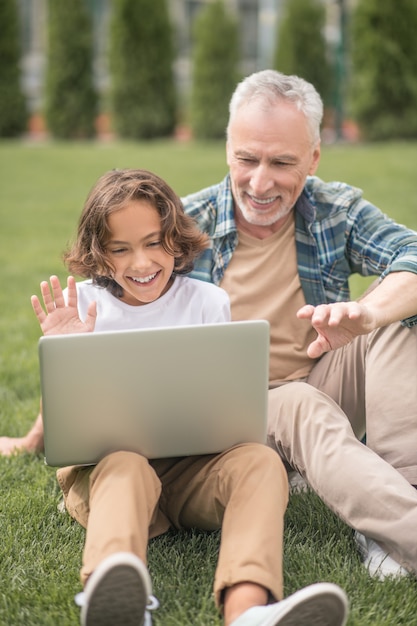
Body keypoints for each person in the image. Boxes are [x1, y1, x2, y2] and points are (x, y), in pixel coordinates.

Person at [28, 168, 349, 626]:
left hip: (190, 476)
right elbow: (70, 420)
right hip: (109, 479)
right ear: (100, 255)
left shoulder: (208, 302)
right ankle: (116, 606)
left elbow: (223, 409)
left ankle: (249, 610)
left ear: (176, 241)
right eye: (121, 249)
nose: (141, 263)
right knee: (126, 463)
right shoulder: (81, 304)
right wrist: (67, 349)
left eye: (154, 242)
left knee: (260, 461)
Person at [179, 69, 417, 581]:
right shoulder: (182, 226)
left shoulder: (334, 209)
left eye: (282, 162)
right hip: (230, 423)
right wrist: (43, 431)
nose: (260, 183)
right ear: (227, 149)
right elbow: (108, 327)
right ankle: (401, 527)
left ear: (312, 159)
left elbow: (413, 254)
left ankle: (394, 500)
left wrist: (369, 314)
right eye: (247, 159)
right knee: (297, 405)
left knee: (403, 313)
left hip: (320, 382)